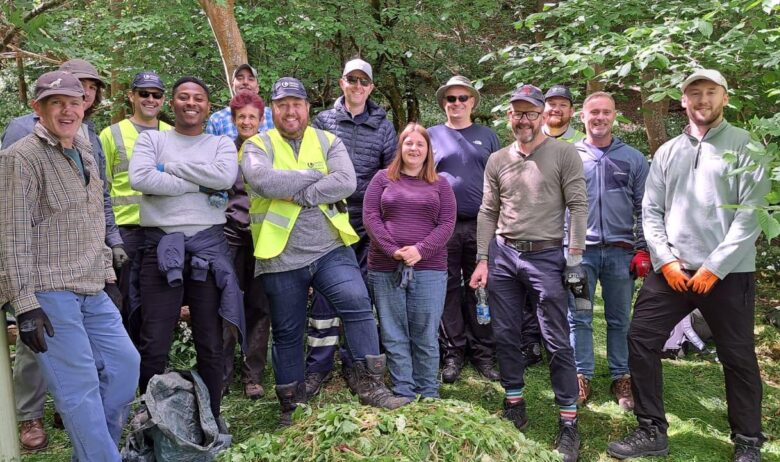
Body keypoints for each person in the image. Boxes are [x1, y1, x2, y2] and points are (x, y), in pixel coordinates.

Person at [607, 70, 768, 461]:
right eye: (694, 93)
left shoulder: (747, 147)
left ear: (724, 98)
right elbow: (651, 211)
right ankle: (651, 430)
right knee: (641, 339)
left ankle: (747, 441)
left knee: (738, 355)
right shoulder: (667, 152)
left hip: (729, 274)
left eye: (710, 92)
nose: (702, 100)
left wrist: (715, 266)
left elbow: (751, 214)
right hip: (673, 270)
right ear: (683, 101)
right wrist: (666, 260)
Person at [240, 77, 408, 426]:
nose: (290, 111)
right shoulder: (257, 145)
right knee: (288, 330)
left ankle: (372, 385)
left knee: (358, 303)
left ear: (307, 108)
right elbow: (264, 181)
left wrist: (298, 190)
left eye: (296, 104)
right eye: (283, 104)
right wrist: (316, 180)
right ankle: (291, 403)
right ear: (272, 109)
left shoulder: (328, 140)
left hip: (330, 247)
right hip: (279, 254)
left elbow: (346, 182)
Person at [0, 70, 140, 461]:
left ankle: (97, 452)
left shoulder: (84, 146)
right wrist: (24, 304)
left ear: (85, 105)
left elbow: (96, 215)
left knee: (124, 366)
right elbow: (9, 235)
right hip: (48, 289)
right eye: (56, 102)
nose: (67, 110)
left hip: (91, 283)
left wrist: (109, 274)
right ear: (37, 108)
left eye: (74, 101)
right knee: (78, 386)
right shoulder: (19, 158)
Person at [469, 84, 587, 462]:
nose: (524, 119)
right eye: (517, 113)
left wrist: (574, 256)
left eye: (531, 113)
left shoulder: (564, 154)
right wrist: (483, 259)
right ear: (509, 117)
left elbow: (578, 206)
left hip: (547, 255)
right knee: (504, 334)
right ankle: (514, 402)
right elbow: (488, 211)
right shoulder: (498, 159)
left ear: (542, 116)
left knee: (555, 338)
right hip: (503, 255)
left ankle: (568, 420)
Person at [129, 76, 245, 422]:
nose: (190, 103)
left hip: (207, 251)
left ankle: (210, 416)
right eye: (183, 97)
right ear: (172, 103)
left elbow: (224, 179)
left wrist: (170, 171)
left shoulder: (221, 144)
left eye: (198, 98)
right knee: (154, 340)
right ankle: (153, 419)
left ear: (208, 106)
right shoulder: (152, 138)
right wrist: (200, 183)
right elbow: (141, 178)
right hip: (161, 248)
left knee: (210, 340)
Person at [304, 58, 397, 397]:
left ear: (371, 87)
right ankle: (318, 366)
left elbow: (391, 173)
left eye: (364, 81)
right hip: (331, 216)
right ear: (341, 82)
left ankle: (359, 366)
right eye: (351, 79)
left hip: (369, 220)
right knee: (328, 295)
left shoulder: (383, 125)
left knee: (362, 296)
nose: (357, 86)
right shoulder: (324, 120)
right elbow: (312, 164)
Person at [566, 92, 650, 410]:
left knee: (619, 320)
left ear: (615, 116)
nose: (599, 118)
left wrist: (643, 249)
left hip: (620, 253)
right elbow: (556, 206)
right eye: (593, 112)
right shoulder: (569, 156)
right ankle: (580, 375)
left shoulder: (634, 158)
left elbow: (646, 208)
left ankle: (621, 376)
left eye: (606, 112)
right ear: (583, 117)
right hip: (577, 253)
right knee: (579, 316)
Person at [363, 122, 456, 399]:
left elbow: (447, 223)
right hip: (385, 266)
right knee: (393, 332)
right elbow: (371, 218)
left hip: (429, 268)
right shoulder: (382, 179)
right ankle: (403, 389)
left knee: (425, 333)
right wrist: (393, 250)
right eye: (409, 143)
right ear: (400, 147)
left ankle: (428, 391)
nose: (414, 148)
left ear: (428, 150)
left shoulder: (440, 185)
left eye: (420, 144)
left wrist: (421, 250)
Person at [429, 75, 501, 383]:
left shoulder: (487, 136)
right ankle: (453, 352)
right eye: (450, 99)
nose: (456, 103)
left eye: (462, 98)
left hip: (481, 224)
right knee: (446, 288)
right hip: (442, 225)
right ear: (443, 103)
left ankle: (483, 352)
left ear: (472, 102)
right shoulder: (431, 135)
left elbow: (501, 180)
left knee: (481, 288)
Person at [99, 71, 172, 344]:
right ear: (131, 96)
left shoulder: (173, 134)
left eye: (156, 95)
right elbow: (100, 189)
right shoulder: (111, 134)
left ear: (163, 100)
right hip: (126, 232)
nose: (150, 99)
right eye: (144, 93)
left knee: (160, 305)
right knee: (126, 303)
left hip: (165, 230)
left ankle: (154, 371)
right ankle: (127, 369)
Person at [519, 84, 587, 365]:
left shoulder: (584, 143)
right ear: (541, 109)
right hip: (538, 234)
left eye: (563, 104)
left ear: (572, 111)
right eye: (551, 104)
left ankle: (572, 360)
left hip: (574, 235)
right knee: (534, 293)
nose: (556, 109)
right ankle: (533, 344)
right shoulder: (529, 139)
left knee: (573, 302)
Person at [221, 91, 272, 399]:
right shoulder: (225, 150)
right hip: (229, 234)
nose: (247, 122)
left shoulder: (269, 151)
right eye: (242, 117)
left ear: (260, 120)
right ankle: (223, 372)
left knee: (259, 306)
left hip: (263, 234)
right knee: (227, 304)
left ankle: (253, 375)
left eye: (252, 117)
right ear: (234, 120)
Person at [206, 63, 273, 137]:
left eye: (250, 79)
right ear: (232, 86)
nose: (245, 82)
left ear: (257, 87)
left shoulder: (272, 115)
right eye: (240, 78)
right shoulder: (217, 119)